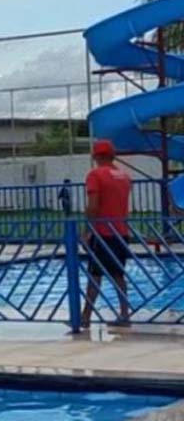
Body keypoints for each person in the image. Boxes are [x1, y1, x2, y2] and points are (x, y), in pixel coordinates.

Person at [81, 139, 133, 329]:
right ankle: (124, 313)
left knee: (95, 274)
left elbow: (93, 206)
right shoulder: (124, 176)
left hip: (103, 232)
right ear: (113, 155)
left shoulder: (95, 175)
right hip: (121, 231)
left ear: (96, 156)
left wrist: (87, 230)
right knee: (118, 274)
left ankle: (85, 316)